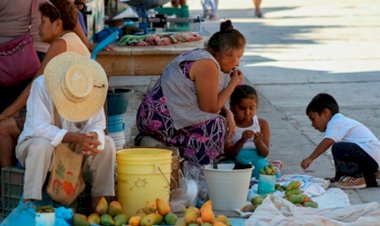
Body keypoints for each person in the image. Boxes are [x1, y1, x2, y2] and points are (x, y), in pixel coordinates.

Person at [135, 20, 246, 165]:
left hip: (155, 114)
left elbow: (209, 99)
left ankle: (179, 156)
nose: (238, 63)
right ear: (227, 53)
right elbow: (210, 108)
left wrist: (228, 113)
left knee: (221, 118)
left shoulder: (203, 56)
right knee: (216, 125)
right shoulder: (207, 65)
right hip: (159, 118)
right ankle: (203, 171)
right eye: (239, 57)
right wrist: (233, 84)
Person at [16, 51, 115, 205]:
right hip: (39, 147)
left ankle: (100, 203)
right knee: (40, 146)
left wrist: (93, 137)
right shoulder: (41, 86)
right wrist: (76, 138)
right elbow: (39, 128)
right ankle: (30, 202)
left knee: (107, 144)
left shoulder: (90, 89)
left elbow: (97, 124)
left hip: (75, 150)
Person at [0, 0, 91, 169]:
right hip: (69, 116)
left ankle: (8, 183)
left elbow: (34, 85)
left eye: (42, 22)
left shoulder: (60, 44)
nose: (38, 28)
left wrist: (7, 113)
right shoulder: (72, 40)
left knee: (3, 128)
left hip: (63, 121)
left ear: (58, 23)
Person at [301, 93, 380, 189]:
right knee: (342, 150)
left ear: (326, 112)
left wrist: (310, 158)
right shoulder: (340, 122)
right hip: (372, 159)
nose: (313, 124)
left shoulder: (336, 121)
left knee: (338, 147)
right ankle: (372, 178)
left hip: (369, 155)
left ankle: (354, 179)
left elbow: (328, 141)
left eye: (313, 119)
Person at [224, 85, 270, 178]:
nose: (247, 112)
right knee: (228, 171)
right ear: (232, 107)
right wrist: (242, 140)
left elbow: (265, 153)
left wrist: (259, 143)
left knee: (263, 171)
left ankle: (275, 166)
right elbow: (228, 153)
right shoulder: (228, 124)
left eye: (251, 108)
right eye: (242, 108)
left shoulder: (262, 124)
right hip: (235, 160)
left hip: (256, 160)